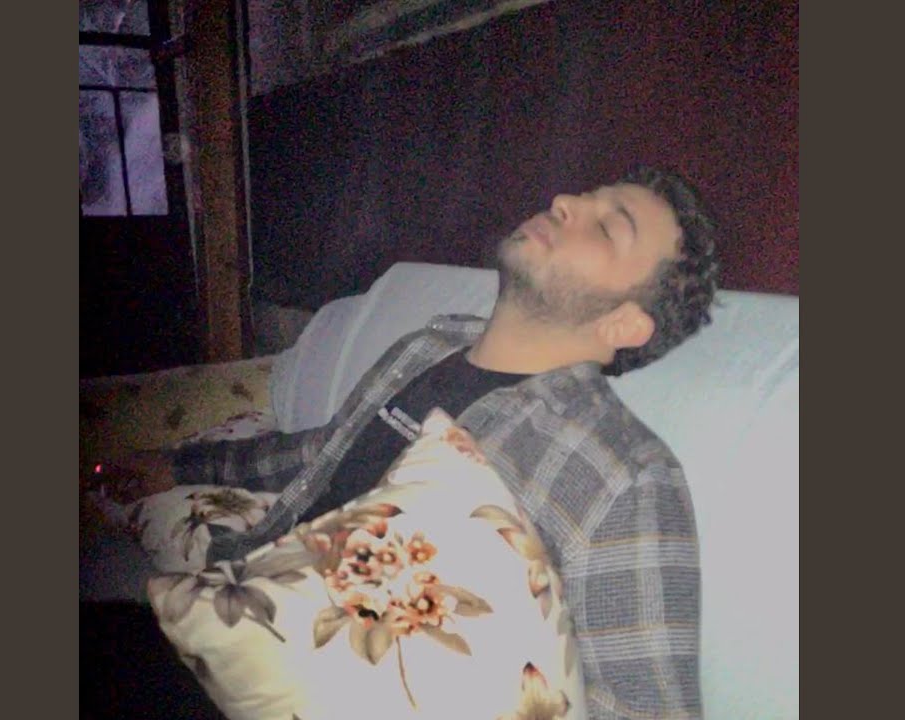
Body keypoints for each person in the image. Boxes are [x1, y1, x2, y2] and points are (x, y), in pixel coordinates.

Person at [93, 165, 719, 719]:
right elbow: (318, 455)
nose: (565, 201)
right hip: (239, 616)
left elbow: (648, 708)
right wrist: (175, 465)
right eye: (585, 195)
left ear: (624, 324)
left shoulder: (622, 472)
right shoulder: (427, 348)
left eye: (608, 227)